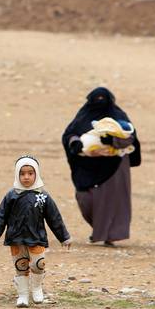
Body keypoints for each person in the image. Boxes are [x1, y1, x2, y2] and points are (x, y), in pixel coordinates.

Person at [0, 156, 71, 308]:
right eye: (22, 173)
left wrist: (64, 237)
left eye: (30, 173)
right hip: (16, 238)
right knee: (21, 266)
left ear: (36, 174)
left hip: (36, 237)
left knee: (39, 264)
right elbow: (1, 215)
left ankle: (37, 288)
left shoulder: (43, 196)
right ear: (17, 175)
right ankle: (23, 295)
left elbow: (54, 218)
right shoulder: (12, 195)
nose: (26, 177)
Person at [61, 87, 141, 246]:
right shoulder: (82, 116)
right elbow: (69, 134)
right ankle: (99, 228)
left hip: (115, 165)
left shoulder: (119, 116)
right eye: (96, 100)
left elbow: (130, 137)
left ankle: (109, 235)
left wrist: (113, 141)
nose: (100, 103)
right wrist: (75, 143)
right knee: (85, 199)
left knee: (112, 201)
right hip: (87, 165)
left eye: (103, 100)